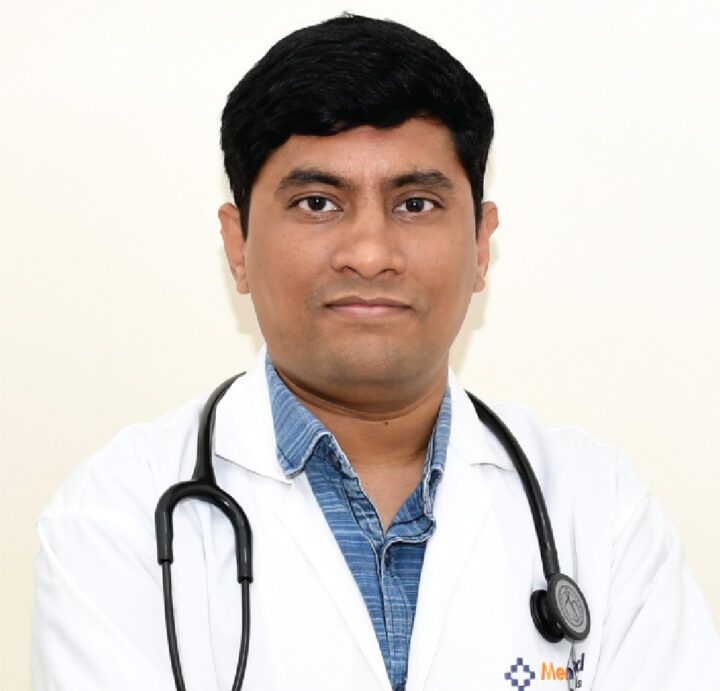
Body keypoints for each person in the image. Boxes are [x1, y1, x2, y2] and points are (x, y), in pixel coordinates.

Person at [31, 14, 718, 691]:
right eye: (317, 203)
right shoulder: (113, 518)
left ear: (481, 245)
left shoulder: (603, 513)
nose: (368, 254)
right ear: (237, 245)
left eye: (415, 204)